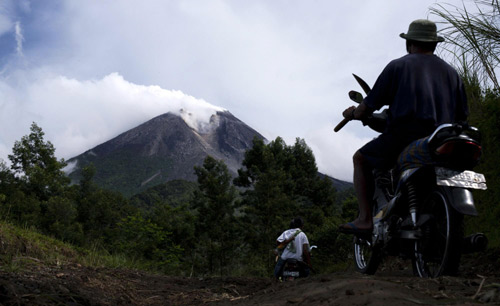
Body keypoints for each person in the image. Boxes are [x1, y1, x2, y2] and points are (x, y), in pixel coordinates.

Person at [338, 19, 469, 235]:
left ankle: (364, 219)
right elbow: (463, 116)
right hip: (443, 138)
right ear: (434, 44)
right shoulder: (452, 74)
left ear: (409, 43)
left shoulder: (398, 66)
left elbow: (367, 107)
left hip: (405, 137)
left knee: (360, 159)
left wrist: (353, 113)